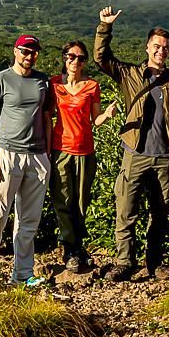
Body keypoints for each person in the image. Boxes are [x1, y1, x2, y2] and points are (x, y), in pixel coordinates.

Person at [94, 6, 169, 281]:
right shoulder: (131, 75)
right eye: (157, 46)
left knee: (160, 213)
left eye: (165, 47)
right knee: (127, 209)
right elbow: (102, 58)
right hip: (135, 152)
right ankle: (124, 262)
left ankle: (154, 263)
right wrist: (104, 27)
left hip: (165, 157)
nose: (161, 51)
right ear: (147, 47)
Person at [0, 34, 55, 287]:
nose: (29, 56)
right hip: (7, 155)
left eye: (33, 52)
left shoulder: (43, 81)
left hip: (37, 156)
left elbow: (46, 117)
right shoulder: (1, 79)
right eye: (25, 51)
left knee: (29, 220)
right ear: (15, 51)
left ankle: (23, 274)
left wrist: (48, 154)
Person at [49, 40, 116, 273]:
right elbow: (47, 116)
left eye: (80, 58)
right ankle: (70, 248)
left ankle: (77, 247)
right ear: (64, 58)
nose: (75, 61)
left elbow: (95, 120)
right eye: (71, 56)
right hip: (61, 151)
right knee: (62, 201)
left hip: (86, 152)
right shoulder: (54, 84)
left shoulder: (92, 86)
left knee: (80, 203)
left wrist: (107, 115)